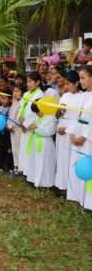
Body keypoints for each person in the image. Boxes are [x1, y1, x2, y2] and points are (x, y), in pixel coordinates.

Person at [66, 66, 92, 211]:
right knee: (78, 166)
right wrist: (72, 133)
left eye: (83, 78)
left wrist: (85, 136)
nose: (80, 81)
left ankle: (89, 203)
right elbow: (76, 116)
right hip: (78, 134)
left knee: (89, 168)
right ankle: (78, 197)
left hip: (88, 138)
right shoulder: (83, 96)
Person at [54, 71, 81, 192]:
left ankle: (71, 189)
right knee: (61, 159)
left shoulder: (82, 97)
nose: (66, 86)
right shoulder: (64, 96)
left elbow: (79, 117)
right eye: (65, 84)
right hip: (61, 127)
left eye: (68, 84)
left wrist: (68, 129)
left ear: (76, 83)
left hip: (71, 130)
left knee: (70, 158)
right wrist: (60, 110)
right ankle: (62, 185)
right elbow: (56, 115)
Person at [24, 101, 57, 188]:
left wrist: (37, 127)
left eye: (37, 112)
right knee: (35, 161)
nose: (37, 114)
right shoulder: (37, 117)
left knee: (45, 163)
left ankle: (46, 183)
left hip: (45, 143)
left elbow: (50, 131)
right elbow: (30, 124)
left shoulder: (50, 117)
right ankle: (33, 179)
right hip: (36, 141)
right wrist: (32, 127)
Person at [18, 72, 44, 174]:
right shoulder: (26, 94)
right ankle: (24, 171)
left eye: (30, 82)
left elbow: (36, 113)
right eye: (27, 82)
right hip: (23, 125)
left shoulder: (40, 95)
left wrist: (26, 124)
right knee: (23, 149)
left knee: (30, 151)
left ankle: (30, 173)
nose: (28, 84)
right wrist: (20, 118)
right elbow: (22, 108)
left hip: (31, 127)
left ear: (37, 82)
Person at [7, 85, 25, 176]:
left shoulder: (22, 102)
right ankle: (15, 167)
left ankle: (19, 168)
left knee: (18, 148)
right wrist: (8, 125)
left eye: (17, 91)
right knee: (14, 148)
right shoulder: (14, 102)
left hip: (18, 129)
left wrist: (12, 125)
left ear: (22, 93)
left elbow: (19, 117)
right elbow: (11, 115)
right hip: (12, 129)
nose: (15, 93)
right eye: (14, 91)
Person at [0, 89, 12, 172]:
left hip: (7, 132)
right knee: (1, 147)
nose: (2, 99)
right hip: (0, 132)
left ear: (10, 99)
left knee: (8, 148)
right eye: (1, 98)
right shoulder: (0, 108)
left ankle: (7, 165)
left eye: (5, 98)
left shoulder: (11, 109)